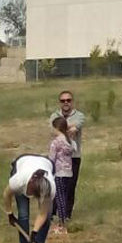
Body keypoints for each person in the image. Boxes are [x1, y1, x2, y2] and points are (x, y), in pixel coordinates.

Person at [3, 154, 56, 243]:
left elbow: (43, 214)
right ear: (31, 184)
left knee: (48, 217)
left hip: (46, 163)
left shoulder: (50, 188)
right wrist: (10, 214)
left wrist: (34, 232)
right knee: (23, 215)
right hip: (22, 161)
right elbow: (6, 194)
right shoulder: (19, 180)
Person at [48, 91, 86, 220]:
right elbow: (55, 131)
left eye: (68, 100)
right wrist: (68, 128)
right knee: (54, 187)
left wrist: (62, 127)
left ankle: (66, 214)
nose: (66, 103)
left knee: (70, 186)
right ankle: (53, 213)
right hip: (58, 161)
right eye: (63, 100)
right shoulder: (54, 115)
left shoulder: (79, 115)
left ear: (72, 101)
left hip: (73, 157)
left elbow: (75, 128)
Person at [48, 116, 76, 234]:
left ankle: (61, 224)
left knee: (59, 198)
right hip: (68, 172)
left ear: (56, 128)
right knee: (64, 196)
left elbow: (51, 158)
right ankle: (63, 220)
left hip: (58, 173)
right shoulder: (70, 141)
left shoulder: (56, 142)